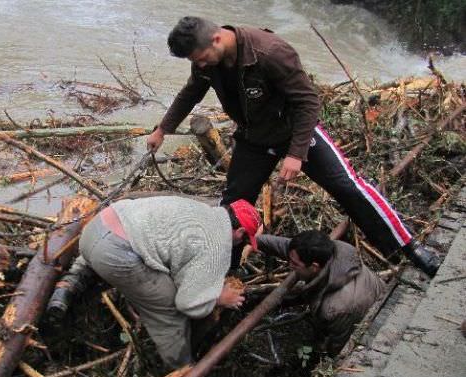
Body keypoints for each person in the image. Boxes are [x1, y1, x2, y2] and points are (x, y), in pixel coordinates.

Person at [146, 16, 439, 276]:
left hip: (295, 131)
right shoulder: (206, 64)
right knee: (234, 205)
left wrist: (296, 154)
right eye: (195, 62)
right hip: (254, 137)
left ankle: (408, 248)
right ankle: (226, 269)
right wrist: (162, 129)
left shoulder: (270, 52)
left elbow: (308, 101)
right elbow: (190, 93)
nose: (199, 65)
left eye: (201, 58)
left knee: (348, 186)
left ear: (217, 38)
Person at [46, 196, 261, 368]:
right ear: (240, 232)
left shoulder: (203, 208)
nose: (240, 245)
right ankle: (181, 367)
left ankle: (72, 281)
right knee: (168, 308)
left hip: (94, 229)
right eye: (244, 240)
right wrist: (218, 297)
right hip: (115, 255)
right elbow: (189, 304)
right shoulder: (218, 246)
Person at [257, 230, 386, 354]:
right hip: (366, 294)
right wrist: (253, 241)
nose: (289, 265)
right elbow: (286, 246)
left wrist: (324, 352)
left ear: (314, 267)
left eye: (295, 264)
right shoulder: (335, 251)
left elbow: (340, 349)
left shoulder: (335, 308)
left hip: (370, 324)